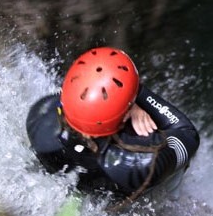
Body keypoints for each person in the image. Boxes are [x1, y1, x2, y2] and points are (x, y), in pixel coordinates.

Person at [26, 47, 199, 204]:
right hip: (128, 198)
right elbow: (187, 132)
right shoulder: (146, 159)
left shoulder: (40, 116)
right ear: (124, 118)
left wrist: (123, 102)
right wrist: (135, 95)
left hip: (73, 179)